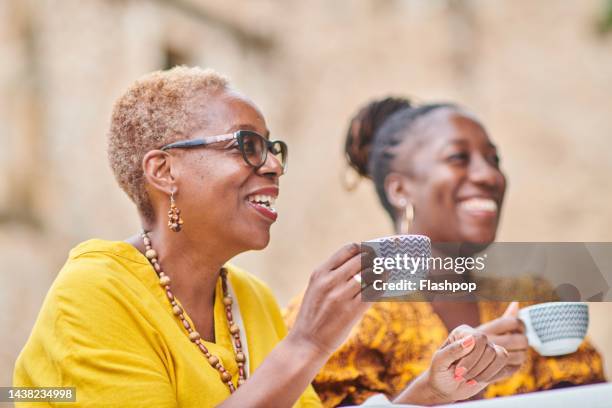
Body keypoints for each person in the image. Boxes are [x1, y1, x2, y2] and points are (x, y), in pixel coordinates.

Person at [14, 68, 512, 407]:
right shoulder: (95, 291)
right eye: (247, 146)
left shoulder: (247, 300)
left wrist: (429, 392)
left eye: (273, 148)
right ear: (164, 170)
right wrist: (308, 343)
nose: (273, 165)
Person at [285, 96, 606, 407]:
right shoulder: (339, 311)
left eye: (494, 160)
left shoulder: (531, 298)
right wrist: (447, 388)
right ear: (399, 190)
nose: (489, 175)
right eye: (458, 158)